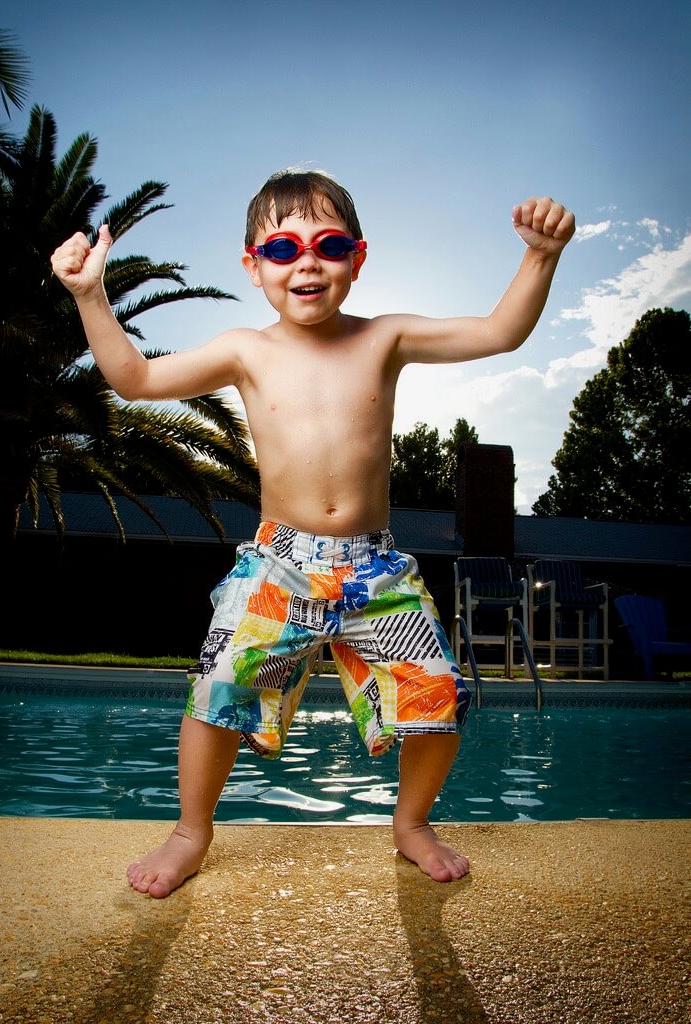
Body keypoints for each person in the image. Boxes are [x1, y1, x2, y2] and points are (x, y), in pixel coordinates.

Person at [51, 168, 575, 898]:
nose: (306, 262)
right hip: (280, 563)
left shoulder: (385, 337)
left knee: (435, 695)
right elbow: (134, 379)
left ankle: (412, 824)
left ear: (357, 260)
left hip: (374, 570)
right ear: (253, 266)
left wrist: (540, 255)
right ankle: (190, 832)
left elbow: (498, 331)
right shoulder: (245, 350)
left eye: (328, 245)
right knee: (218, 690)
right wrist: (89, 295)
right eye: (282, 248)